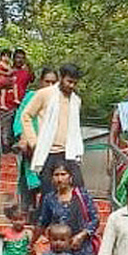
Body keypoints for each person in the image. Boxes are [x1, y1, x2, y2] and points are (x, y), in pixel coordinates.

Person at [20, 62, 84, 197]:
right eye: (69, 82)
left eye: (75, 83)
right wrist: (33, 141)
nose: (71, 86)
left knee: (78, 191)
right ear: (61, 78)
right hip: (48, 153)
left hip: (69, 153)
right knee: (49, 195)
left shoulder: (76, 100)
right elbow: (26, 115)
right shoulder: (44, 94)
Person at [35, 162, 100, 255]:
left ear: (70, 177)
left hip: (81, 252)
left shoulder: (82, 195)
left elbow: (95, 219)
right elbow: (43, 222)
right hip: (58, 253)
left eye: (63, 174)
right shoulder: (49, 199)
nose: (59, 179)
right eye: (56, 175)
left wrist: (82, 235)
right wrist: (31, 243)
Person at [13, 66, 51, 211]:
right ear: (41, 82)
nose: (50, 86)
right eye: (47, 82)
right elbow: (20, 118)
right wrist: (24, 137)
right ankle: (26, 211)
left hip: (51, 149)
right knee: (27, 181)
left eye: (53, 83)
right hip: (31, 147)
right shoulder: (31, 97)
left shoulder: (59, 100)